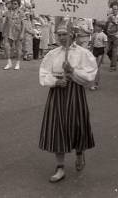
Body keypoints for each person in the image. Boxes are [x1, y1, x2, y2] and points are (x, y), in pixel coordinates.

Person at [39, 22, 97, 183]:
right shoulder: (53, 54)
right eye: (60, 34)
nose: (62, 37)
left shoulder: (83, 53)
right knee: (57, 127)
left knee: (76, 125)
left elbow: (90, 76)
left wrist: (73, 71)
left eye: (65, 34)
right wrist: (55, 82)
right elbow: (43, 74)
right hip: (57, 93)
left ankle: (79, 152)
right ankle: (60, 167)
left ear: (73, 35)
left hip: (75, 93)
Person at [2, 0, 25, 70]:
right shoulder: (8, 12)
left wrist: (22, 33)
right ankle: (9, 63)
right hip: (9, 31)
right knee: (7, 47)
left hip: (18, 32)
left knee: (18, 49)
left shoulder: (21, 13)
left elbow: (24, 24)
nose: (13, 5)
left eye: (15, 4)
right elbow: (5, 22)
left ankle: (18, 63)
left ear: (18, 5)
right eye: (12, 3)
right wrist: (3, 31)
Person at [89, 22, 107, 91]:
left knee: (97, 67)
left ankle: (95, 84)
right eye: (96, 26)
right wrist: (89, 51)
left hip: (100, 50)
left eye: (98, 27)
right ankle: (94, 82)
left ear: (101, 28)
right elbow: (92, 43)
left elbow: (105, 45)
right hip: (95, 50)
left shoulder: (104, 35)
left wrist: (104, 56)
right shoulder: (94, 34)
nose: (96, 28)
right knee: (93, 66)